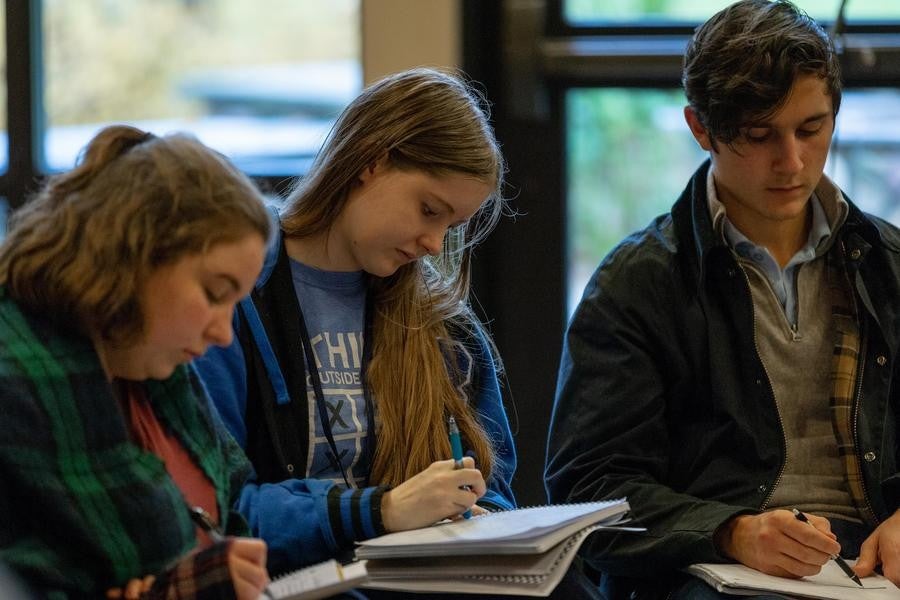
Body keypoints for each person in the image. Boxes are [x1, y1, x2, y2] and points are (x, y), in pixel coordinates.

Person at [545, 1, 900, 598]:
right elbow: (588, 490)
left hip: (873, 561)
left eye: (811, 130)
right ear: (700, 128)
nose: (791, 162)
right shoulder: (639, 282)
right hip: (710, 572)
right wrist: (728, 531)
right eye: (758, 136)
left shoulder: (888, 265)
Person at [194, 67, 517, 576]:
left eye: (451, 226)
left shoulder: (443, 325)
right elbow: (217, 510)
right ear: (371, 160)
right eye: (429, 209)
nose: (435, 244)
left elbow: (494, 489)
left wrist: (474, 515)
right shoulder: (233, 299)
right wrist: (380, 511)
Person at [0, 125, 274, 599]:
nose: (223, 332)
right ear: (134, 255)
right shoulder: (16, 380)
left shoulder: (158, 372)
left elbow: (226, 517)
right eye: (214, 293)